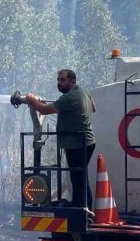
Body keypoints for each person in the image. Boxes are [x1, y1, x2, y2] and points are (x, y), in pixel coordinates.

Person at [24, 69, 97, 209]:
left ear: (73, 81)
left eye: (63, 80)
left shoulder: (69, 98)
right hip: (86, 142)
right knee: (79, 177)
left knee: (78, 178)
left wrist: (31, 99)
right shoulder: (83, 92)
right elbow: (94, 108)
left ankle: (81, 209)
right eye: (58, 80)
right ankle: (81, 207)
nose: (59, 83)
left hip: (77, 144)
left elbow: (44, 110)